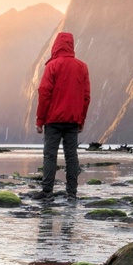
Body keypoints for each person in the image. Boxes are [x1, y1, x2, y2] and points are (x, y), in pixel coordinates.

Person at [34, 32, 91, 198]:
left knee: (50, 155)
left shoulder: (52, 66)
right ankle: (72, 192)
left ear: (56, 45)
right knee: (71, 156)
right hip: (73, 119)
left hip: (53, 120)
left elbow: (44, 93)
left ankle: (47, 191)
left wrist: (40, 119)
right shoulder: (82, 67)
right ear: (72, 45)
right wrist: (81, 119)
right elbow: (86, 96)